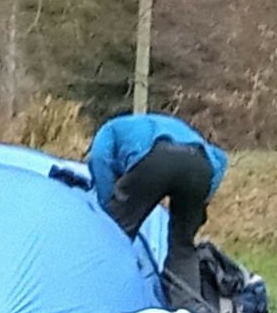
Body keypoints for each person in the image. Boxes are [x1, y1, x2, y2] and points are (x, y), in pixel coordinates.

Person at [85, 111, 224, 301]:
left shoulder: (107, 129)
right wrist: (203, 201)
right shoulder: (142, 125)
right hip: (200, 163)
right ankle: (189, 309)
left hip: (156, 155)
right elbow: (220, 160)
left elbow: (99, 159)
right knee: (183, 246)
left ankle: (103, 296)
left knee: (115, 233)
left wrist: (106, 204)